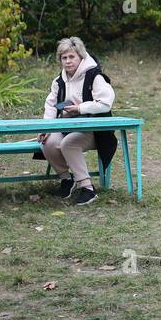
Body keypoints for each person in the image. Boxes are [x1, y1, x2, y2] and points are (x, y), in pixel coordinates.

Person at [38, 37, 116, 205]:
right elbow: (51, 105)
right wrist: (46, 127)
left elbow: (105, 103)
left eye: (71, 57)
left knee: (68, 144)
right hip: (67, 127)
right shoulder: (59, 81)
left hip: (94, 130)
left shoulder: (95, 76)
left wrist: (80, 108)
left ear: (80, 56)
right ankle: (67, 180)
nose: (67, 61)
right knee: (48, 142)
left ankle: (87, 189)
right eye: (64, 58)